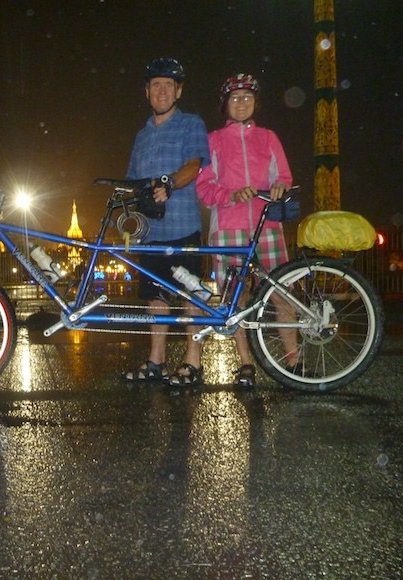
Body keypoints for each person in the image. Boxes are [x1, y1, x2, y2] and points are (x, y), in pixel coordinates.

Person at [196, 73, 301, 389]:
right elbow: (204, 188)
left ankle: (294, 359)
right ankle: (245, 362)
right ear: (225, 104)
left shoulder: (268, 137)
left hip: (266, 225)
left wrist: (281, 186)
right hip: (227, 228)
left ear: (255, 103)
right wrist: (230, 195)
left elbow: (282, 176)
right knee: (234, 299)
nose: (241, 103)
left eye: (247, 97)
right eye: (235, 97)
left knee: (282, 292)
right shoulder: (213, 140)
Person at [120, 57, 210, 387]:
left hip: (182, 224)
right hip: (150, 230)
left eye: (168, 85)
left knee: (189, 294)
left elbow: (194, 164)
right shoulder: (141, 136)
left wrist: (170, 183)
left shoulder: (191, 124)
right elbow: (132, 180)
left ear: (179, 91)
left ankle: (193, 363)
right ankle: (155, 361)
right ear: (146, 91)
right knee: (155, 296)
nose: (161, 90)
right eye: (155, 85)